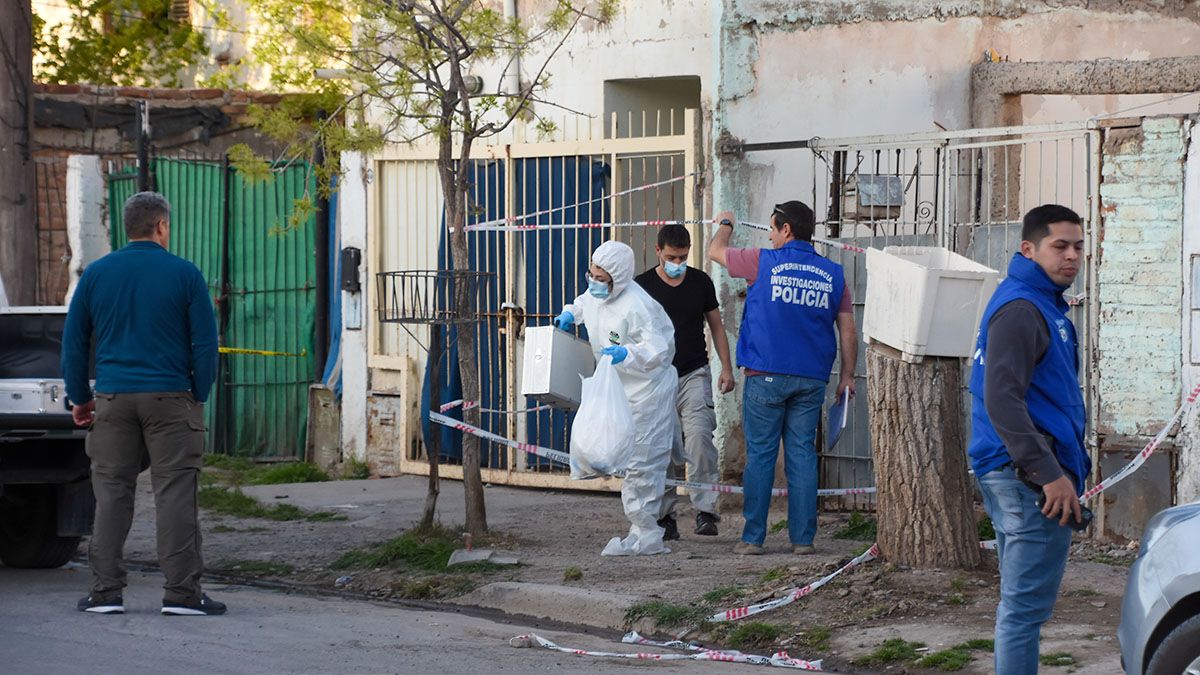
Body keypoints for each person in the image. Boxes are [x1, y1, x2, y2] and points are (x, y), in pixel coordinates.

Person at [63, 191, 224, 616]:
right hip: (171, 398)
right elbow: (205, 343)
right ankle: (182, 595)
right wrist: (198, 394)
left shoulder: (96, 275)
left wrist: (81, 397)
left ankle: (105, 593)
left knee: (112, 493)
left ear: (127, 226)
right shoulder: (185, 274)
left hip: (113, 399)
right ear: (162, 226)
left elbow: (75, 340)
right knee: (174, 494)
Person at [968, 204, 1089, 674]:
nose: (1072, 256)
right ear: (1028, 249)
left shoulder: (1040, 303)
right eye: (1059, 246)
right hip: (1027, 479)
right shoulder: (1021, 308)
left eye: (1078, 246)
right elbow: (1002, 399)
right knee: (1023, 614)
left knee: (1019, 611)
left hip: (1020, 473)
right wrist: (1049, 474)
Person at [708, 201, 857, 556]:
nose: (771, 236)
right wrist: (847, 375)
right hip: (811, 380)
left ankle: (753, 538)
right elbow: (848, 330)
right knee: (802, 455)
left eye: (773, 229)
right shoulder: (833, 274)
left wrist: (726, 222)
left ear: (787, 229)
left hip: (766, 376)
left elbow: (715, 251)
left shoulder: (763, 261)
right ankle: (803, 540)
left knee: (760, 455)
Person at [555, 240, 679, 556]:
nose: (594, 282)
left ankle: (648, 531)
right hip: (619, 391)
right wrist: (569, 314)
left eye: (601, 278)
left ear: (618, 278)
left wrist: (628, 353)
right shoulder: (598, 293)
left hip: (648, 393)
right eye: (592, 275)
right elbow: (585, 302)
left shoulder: (638, 305)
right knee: (628, 460)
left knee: (644, 463)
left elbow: (659, 349)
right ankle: (640, 530)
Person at [633, 224, 735, 539]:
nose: (677, 262)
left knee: (700, 439)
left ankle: (706, 511)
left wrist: (726, 369)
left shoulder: (700, 282)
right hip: (655, 379)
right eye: (671, 257)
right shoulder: (641, 287)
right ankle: (665, 518)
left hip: (694, 373)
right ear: (658, 252)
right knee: (661, 448)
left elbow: (717, 327)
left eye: (683, 256)